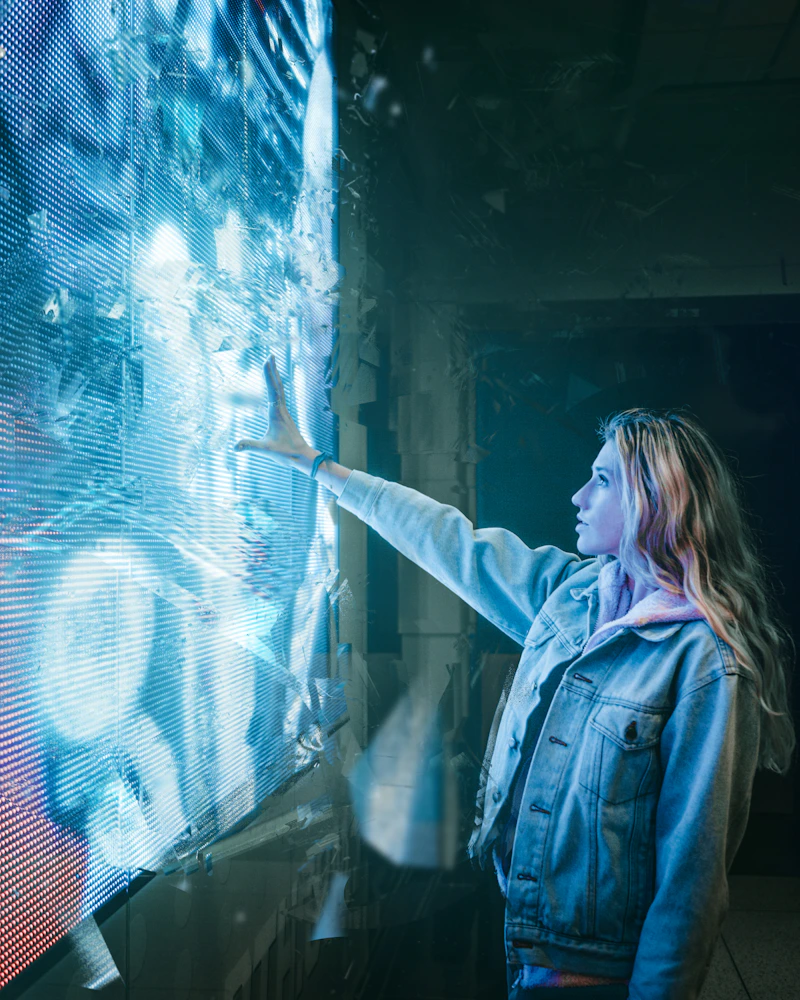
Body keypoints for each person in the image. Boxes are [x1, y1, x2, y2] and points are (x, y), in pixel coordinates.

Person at [236, 355, 796, 1000]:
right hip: (526, 937)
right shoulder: (573, 594)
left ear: (653, 500)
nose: (578, 498)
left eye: (602, 482)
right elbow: (447, 540)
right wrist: (316, 465)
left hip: (597, 970)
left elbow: (693, 875)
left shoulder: (704, 660)